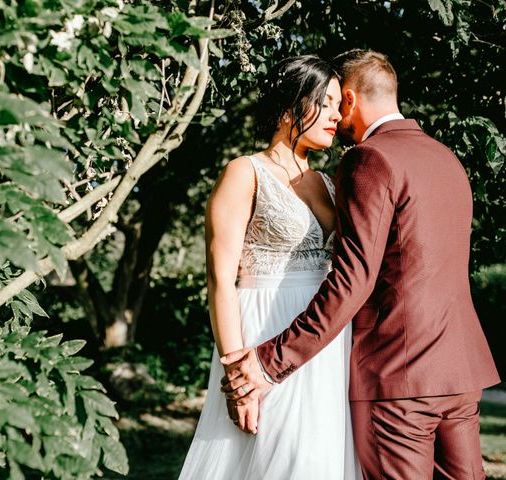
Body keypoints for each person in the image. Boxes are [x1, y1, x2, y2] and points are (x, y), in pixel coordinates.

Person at [220, 49, 501, 479]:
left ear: (349, 100)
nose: (335, 116)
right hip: (459, 373)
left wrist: (269, 362)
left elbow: (354, 278)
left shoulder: (369, 159)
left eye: (336, 102)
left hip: (399, 376)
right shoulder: (447, 159)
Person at [178, 55, 361, 479]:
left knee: (319, 459)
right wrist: (236, 377)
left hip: (324, 340)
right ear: (291, 106)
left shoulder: (329, 182)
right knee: (276, 461)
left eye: (339, 105)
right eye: (328, 102)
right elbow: (220, 279)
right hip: (264, 329)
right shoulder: (244, 172)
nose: (338, 115)